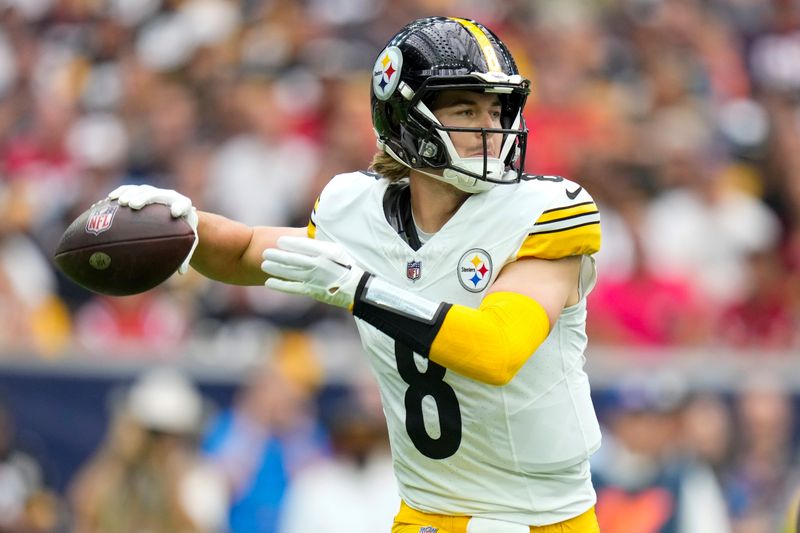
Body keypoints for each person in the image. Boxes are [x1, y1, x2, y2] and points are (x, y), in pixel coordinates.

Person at [106, 16, 603, 532]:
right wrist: (181, 221)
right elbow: (245, 251)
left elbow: (496, 350)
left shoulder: (544, 212)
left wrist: (360, 290)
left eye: (496, 111)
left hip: (541, 519)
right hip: (425, 514)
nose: (490, 129)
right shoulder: (358, 211)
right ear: (406, 121)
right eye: (465, 109)